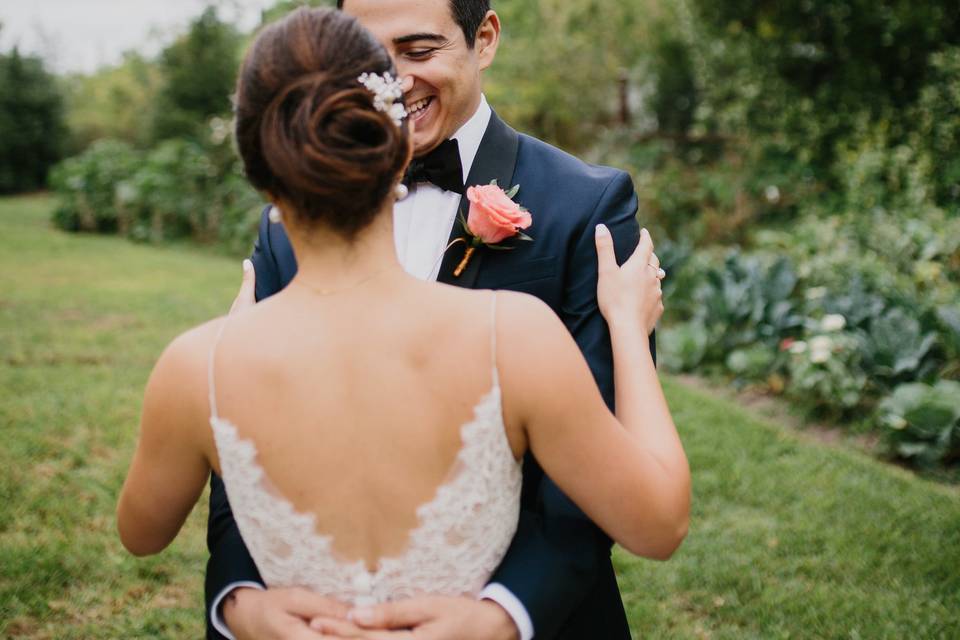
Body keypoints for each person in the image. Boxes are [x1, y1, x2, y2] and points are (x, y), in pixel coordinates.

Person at [197, 2, 681, 639]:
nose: (393, 81)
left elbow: (599, 474)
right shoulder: (289, 224)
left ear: (483, 39)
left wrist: (502, 615)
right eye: (368, 57)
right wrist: (240, 598)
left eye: (418, 51)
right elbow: (243, 442)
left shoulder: (585, 208)